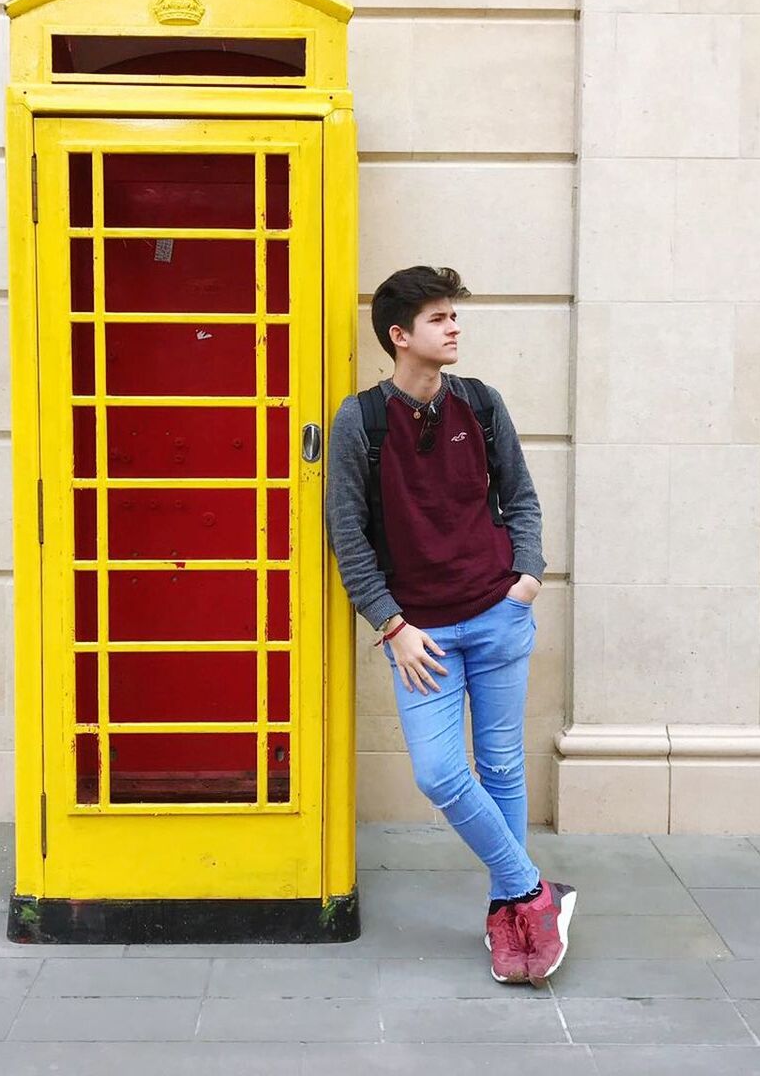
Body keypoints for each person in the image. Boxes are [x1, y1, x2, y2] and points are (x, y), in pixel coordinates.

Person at [325, 264, 576, 986]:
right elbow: (348, 533)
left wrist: (527, 580)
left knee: (500, 768)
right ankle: (533, 890)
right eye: (439, 319)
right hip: (421, 638)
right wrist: (392, 624)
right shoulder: (361, 420)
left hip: (498, 614)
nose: (454, 326)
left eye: (454, 315)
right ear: (400, 337)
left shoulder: (482, 404)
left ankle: (509, 916)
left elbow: (521, 499)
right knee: (440, 773)